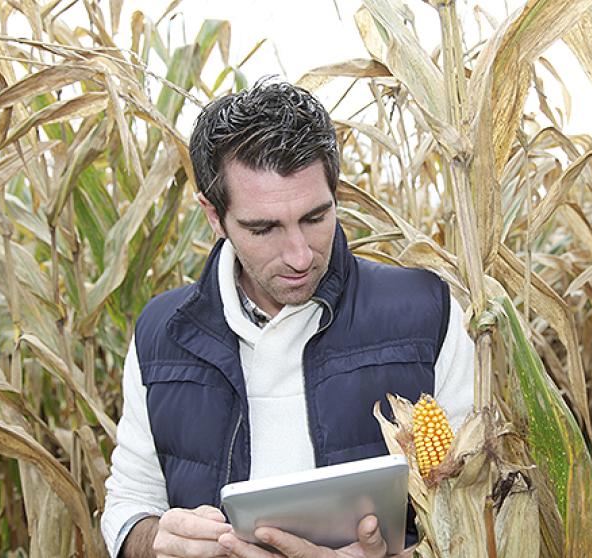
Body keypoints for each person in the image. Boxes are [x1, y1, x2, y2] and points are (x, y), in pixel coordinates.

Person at [101, 79, 475, 558]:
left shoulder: (428, 313)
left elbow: (483, 510)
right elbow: (129, 505)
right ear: (214, 217)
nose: (300, 255)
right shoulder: (161, 333)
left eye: (316, 217)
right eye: (264, 228)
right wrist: (158, 541)